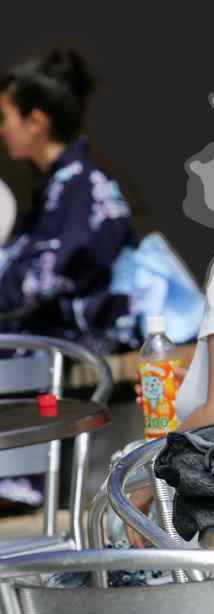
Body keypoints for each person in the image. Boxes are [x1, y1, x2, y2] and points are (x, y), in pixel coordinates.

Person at [0, 49, 136, 511]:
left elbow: (45, 278)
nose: (2, 130)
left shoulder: (82, 188)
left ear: (35, 121)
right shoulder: (61, 188)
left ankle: (17, 480)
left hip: (78, 336)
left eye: (6, 117)